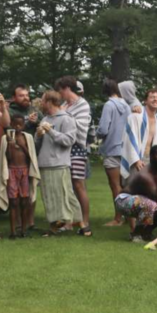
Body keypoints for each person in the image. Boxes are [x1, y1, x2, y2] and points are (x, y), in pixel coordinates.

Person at [35, 90, 83, 236]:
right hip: (44, 163)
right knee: (49, 197)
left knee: (65, 195)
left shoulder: (67, 119)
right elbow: (38, 144)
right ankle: (55, 226)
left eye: (43, 100)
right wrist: (38, 135)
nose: (41, 103)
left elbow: (69, 140)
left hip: (59, 163)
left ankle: (80, 224)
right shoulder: (45, 119)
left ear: (50, 102)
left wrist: (51, 132)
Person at [55, 76, 92, 237]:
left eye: (60, 90)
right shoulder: (64, 105)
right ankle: (69, 221)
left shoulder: (82, 104)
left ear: (67, 88)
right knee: (66, 186)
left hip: (77, 149)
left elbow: (80, 126)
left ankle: (85, 221)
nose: (59, 94)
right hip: (64, 149)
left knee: (78, 185)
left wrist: (63, 116)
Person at [0, 114, 39, 239]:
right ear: (11, 124)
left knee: (25, 201)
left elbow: (31, 156)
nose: (18, 127)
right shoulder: (6, 138)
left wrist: (21, 145)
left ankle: (24, 230)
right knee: (13, 202)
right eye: (15, 124)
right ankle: (13, 231)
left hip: (25, 171)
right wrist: (10, 146)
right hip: (12, 171)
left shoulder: (27, 138)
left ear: (24, 125)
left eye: (20, 124)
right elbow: (7, 158)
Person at [97, 78, 131, 227]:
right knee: (125, 186)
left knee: (115, 186)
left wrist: (97, 134)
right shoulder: (127, 106)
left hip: (112, 149)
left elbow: (103, 129)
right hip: (126, 150)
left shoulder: (109, 105)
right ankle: (129, 217)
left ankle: (118, 218)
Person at [121, 88, 157, 175]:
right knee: (134, 183)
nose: (155, 99)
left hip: (151, 160)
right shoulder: (135, 116)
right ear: (145, 101)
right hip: (136, 160)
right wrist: (136, 160)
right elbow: (129, 139)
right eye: (152, 97)